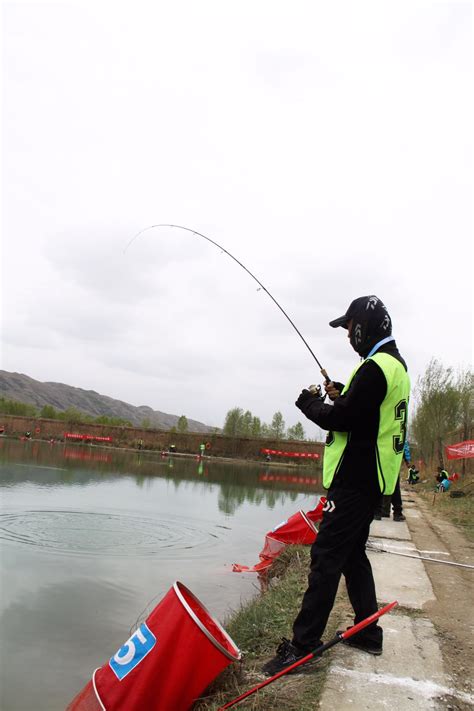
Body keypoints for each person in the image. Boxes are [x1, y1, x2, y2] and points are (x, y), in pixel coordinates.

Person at [262, 295, 410, 675]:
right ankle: (368, 632)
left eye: (348, 328)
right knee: (351, 555)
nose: (347, 336)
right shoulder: (395, 365)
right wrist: (344, 394)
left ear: (362, 327)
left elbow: (342, 420)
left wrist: (309, 403)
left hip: (355, 479)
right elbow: (363, 413)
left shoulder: (375, 368)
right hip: (372, 479)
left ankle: (303, 647)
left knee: (326, 556)